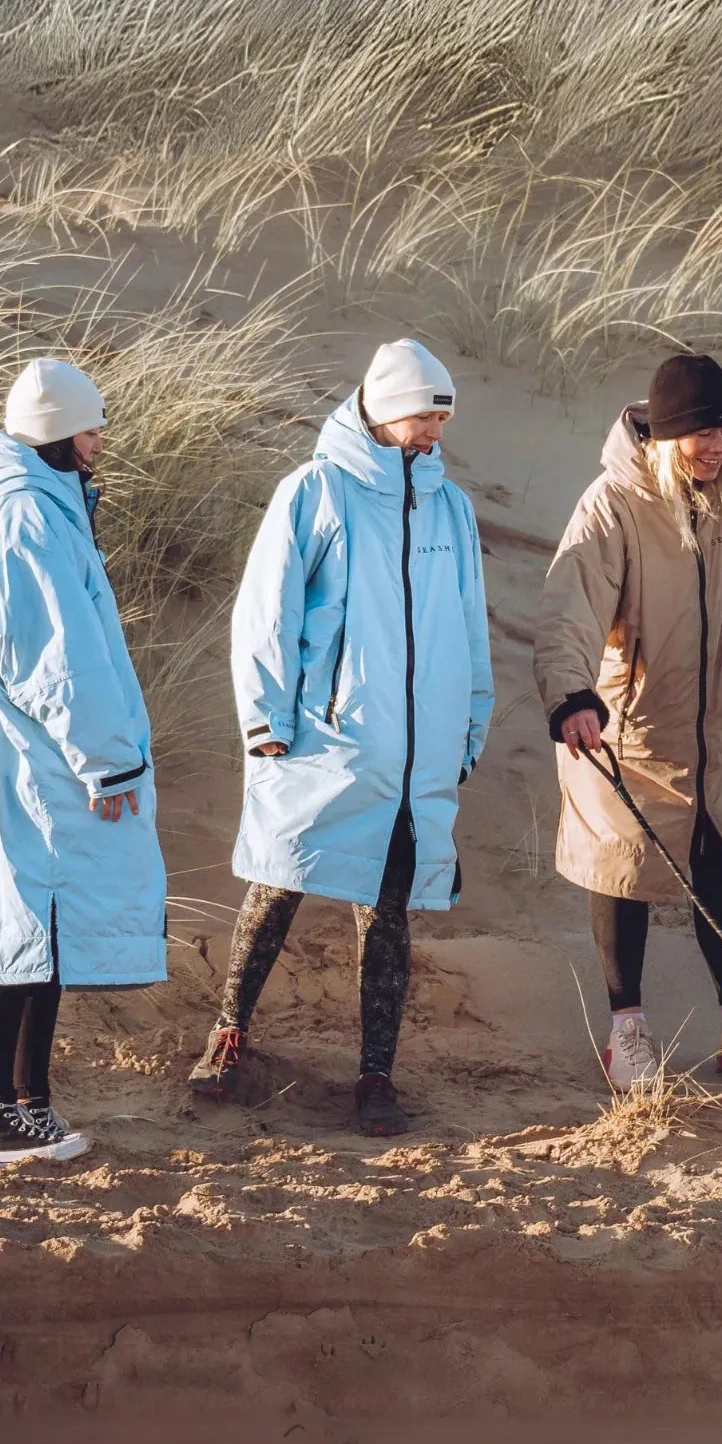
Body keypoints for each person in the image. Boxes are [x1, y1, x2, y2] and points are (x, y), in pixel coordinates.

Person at [189, 339, 491, 1134]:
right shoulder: (315, 492)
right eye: (427, 415)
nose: (436, 432)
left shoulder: (449, 505)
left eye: (443, 418)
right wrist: (265, 719)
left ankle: (376, 1077)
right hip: (322, 740)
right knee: (279, 878)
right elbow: (266, 612)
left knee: (388, 909)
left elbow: (468, 626)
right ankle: (228, 1034)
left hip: (416, 747)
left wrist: (469, 724)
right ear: (389, 409)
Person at [535, 353, 722, 1093]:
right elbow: (570, 610)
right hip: (625, 734)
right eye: (701, 434)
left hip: (714, 734)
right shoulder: (613, 502)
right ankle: (627, 1035)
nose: (716, 447)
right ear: (665, 435)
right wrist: (571, 695)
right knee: (622, 872)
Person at [0, 357, 168, 1167]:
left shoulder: (44, 507)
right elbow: (54, 656)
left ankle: (30, 1103)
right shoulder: (25, 518)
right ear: (54, 433)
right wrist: (105, 760)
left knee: (47, 928)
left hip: (47, 755)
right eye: (89, 428)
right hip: (47, 760)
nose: (99, 442)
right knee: (21, 926)